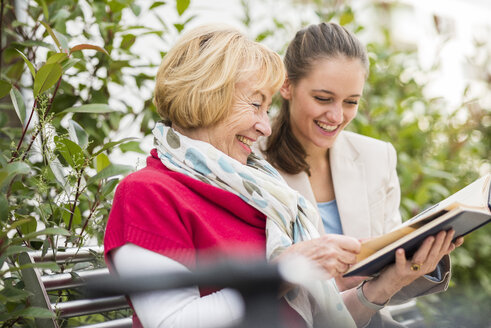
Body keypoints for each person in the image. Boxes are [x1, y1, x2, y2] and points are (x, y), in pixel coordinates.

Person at [104, 24, 459, 328]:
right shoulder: (148, 193)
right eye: (255, 104)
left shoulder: (256, 191)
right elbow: (172, 323)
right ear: (207, 96)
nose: (264, 124)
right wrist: (284, 270)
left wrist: (390, 282)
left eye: (267, 107)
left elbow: (320, 318)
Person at [259, 22, 464, 326]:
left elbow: (384, 286)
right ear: (286, 86)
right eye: (323, 98)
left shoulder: (376, 157)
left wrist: (414, 263)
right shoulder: (251, 161)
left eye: (351, 102)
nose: (337, 116)